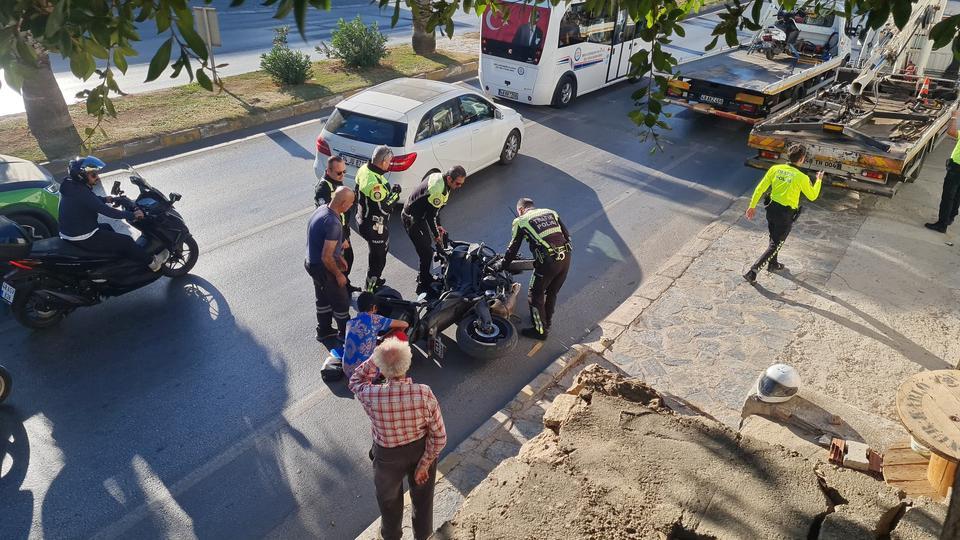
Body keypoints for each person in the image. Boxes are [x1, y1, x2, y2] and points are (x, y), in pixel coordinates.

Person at [349, 337, 447, 540]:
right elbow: (439, 437)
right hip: (421, 450)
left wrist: (377, 357)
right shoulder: (424, 393)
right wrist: (424, 463)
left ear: (382, 369)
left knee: (389, 503)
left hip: (387, 458)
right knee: (423, 502)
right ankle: (424, 536)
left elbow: (355, 380)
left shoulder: (372, 395)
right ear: (408, 363)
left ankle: (391, 536)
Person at [58, 155, 168, 271]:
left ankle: (116, 262)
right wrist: (132, 215)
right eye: (94, 175)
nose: (98, 178)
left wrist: (107, 199)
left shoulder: (71, 186)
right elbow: (107, 211)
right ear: (81, 176)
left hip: (72, 231)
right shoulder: (81, 192)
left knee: (107, 227)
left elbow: (88, 201)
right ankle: (153, 264)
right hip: (82, 236)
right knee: (126, 241)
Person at [743, 144, 823, 283]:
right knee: (776, 244)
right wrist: (819, 180)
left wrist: (752, 206)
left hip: (771, 209)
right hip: (785, 215)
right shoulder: (802, 177)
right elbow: (813, 196)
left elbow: (760, 188)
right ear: (802, 159)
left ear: (788, 155)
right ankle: (753, 271)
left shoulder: (775, 169)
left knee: (773, 237)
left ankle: (773, 264)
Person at [501, 198, 572, 341]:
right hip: (566, 257)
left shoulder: (520, 221)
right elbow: (567, 235)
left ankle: (540, 331)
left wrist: (503, 265)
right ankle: (547, 321)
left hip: (548, 262)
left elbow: (513, 247)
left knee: (534, 295)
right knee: (552, 292)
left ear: (520, 210)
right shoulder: (550, 212)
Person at [401, 166, 466, 295]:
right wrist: (437, 235)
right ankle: (422, 285)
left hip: (420, 215)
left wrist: (439, 226)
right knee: (426, 253)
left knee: (427, 249)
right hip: (412, 219)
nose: (459, 186)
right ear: (449, 178)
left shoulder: (441, 178)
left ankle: (424, 276)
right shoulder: (437, 190)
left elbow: (435, 211)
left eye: (462, 184)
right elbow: (431, 217)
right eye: (458, 183)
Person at [306, 186, 355, 342]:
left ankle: (324, 330)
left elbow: (322, 240)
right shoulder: (333, 222)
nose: (351, 206)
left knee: (322, 298)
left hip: (311, 263)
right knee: (341, 300)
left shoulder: (322, 209)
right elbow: (326, 257)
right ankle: (345, 335)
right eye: (351, 203)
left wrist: (339, 257)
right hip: (322, 267)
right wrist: (338, 274)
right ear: (343, 204)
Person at [355, 145, 402, 293]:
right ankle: (370, 290)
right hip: (373, 225)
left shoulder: (365, 168)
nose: (390, 165)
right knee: (378, 258)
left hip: (367, 219)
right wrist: (395, 194)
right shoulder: (373, 183)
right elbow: (385, 207)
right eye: (389, 162)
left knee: (381, 252)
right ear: (382, 162)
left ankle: (375, 280)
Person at [343, 292, 409, 377]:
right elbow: (405, 324)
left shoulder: (350, 323)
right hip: (366, 375)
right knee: (399, 335)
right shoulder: (375, 319)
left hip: (348, 371)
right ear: (374, 307)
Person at [315, 155, 356, 288]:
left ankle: (346, 284)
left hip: (342, 230)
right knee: (340, 262)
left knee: (348, 259)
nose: (342, 175)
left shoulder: (336, 181)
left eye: (344, 172)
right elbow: (327, 217)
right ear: (328, 170)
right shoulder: (323, 189)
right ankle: (339, 287)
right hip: (335, 234)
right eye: (339, 173)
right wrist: (341, 238)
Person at [925, 111, 960, 233]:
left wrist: (954, 117)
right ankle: (950, 218)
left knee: (948, 197)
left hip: (957, 168)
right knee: (957, 196)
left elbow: (951, 131)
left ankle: (942, 225)